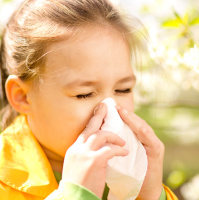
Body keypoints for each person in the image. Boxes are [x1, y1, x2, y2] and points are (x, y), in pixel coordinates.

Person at [0, 0, 178, 199]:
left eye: (123, 89)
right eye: (83, 94)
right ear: (23, 97)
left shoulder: (127, 172)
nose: (109, 112)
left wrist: (149, 194)